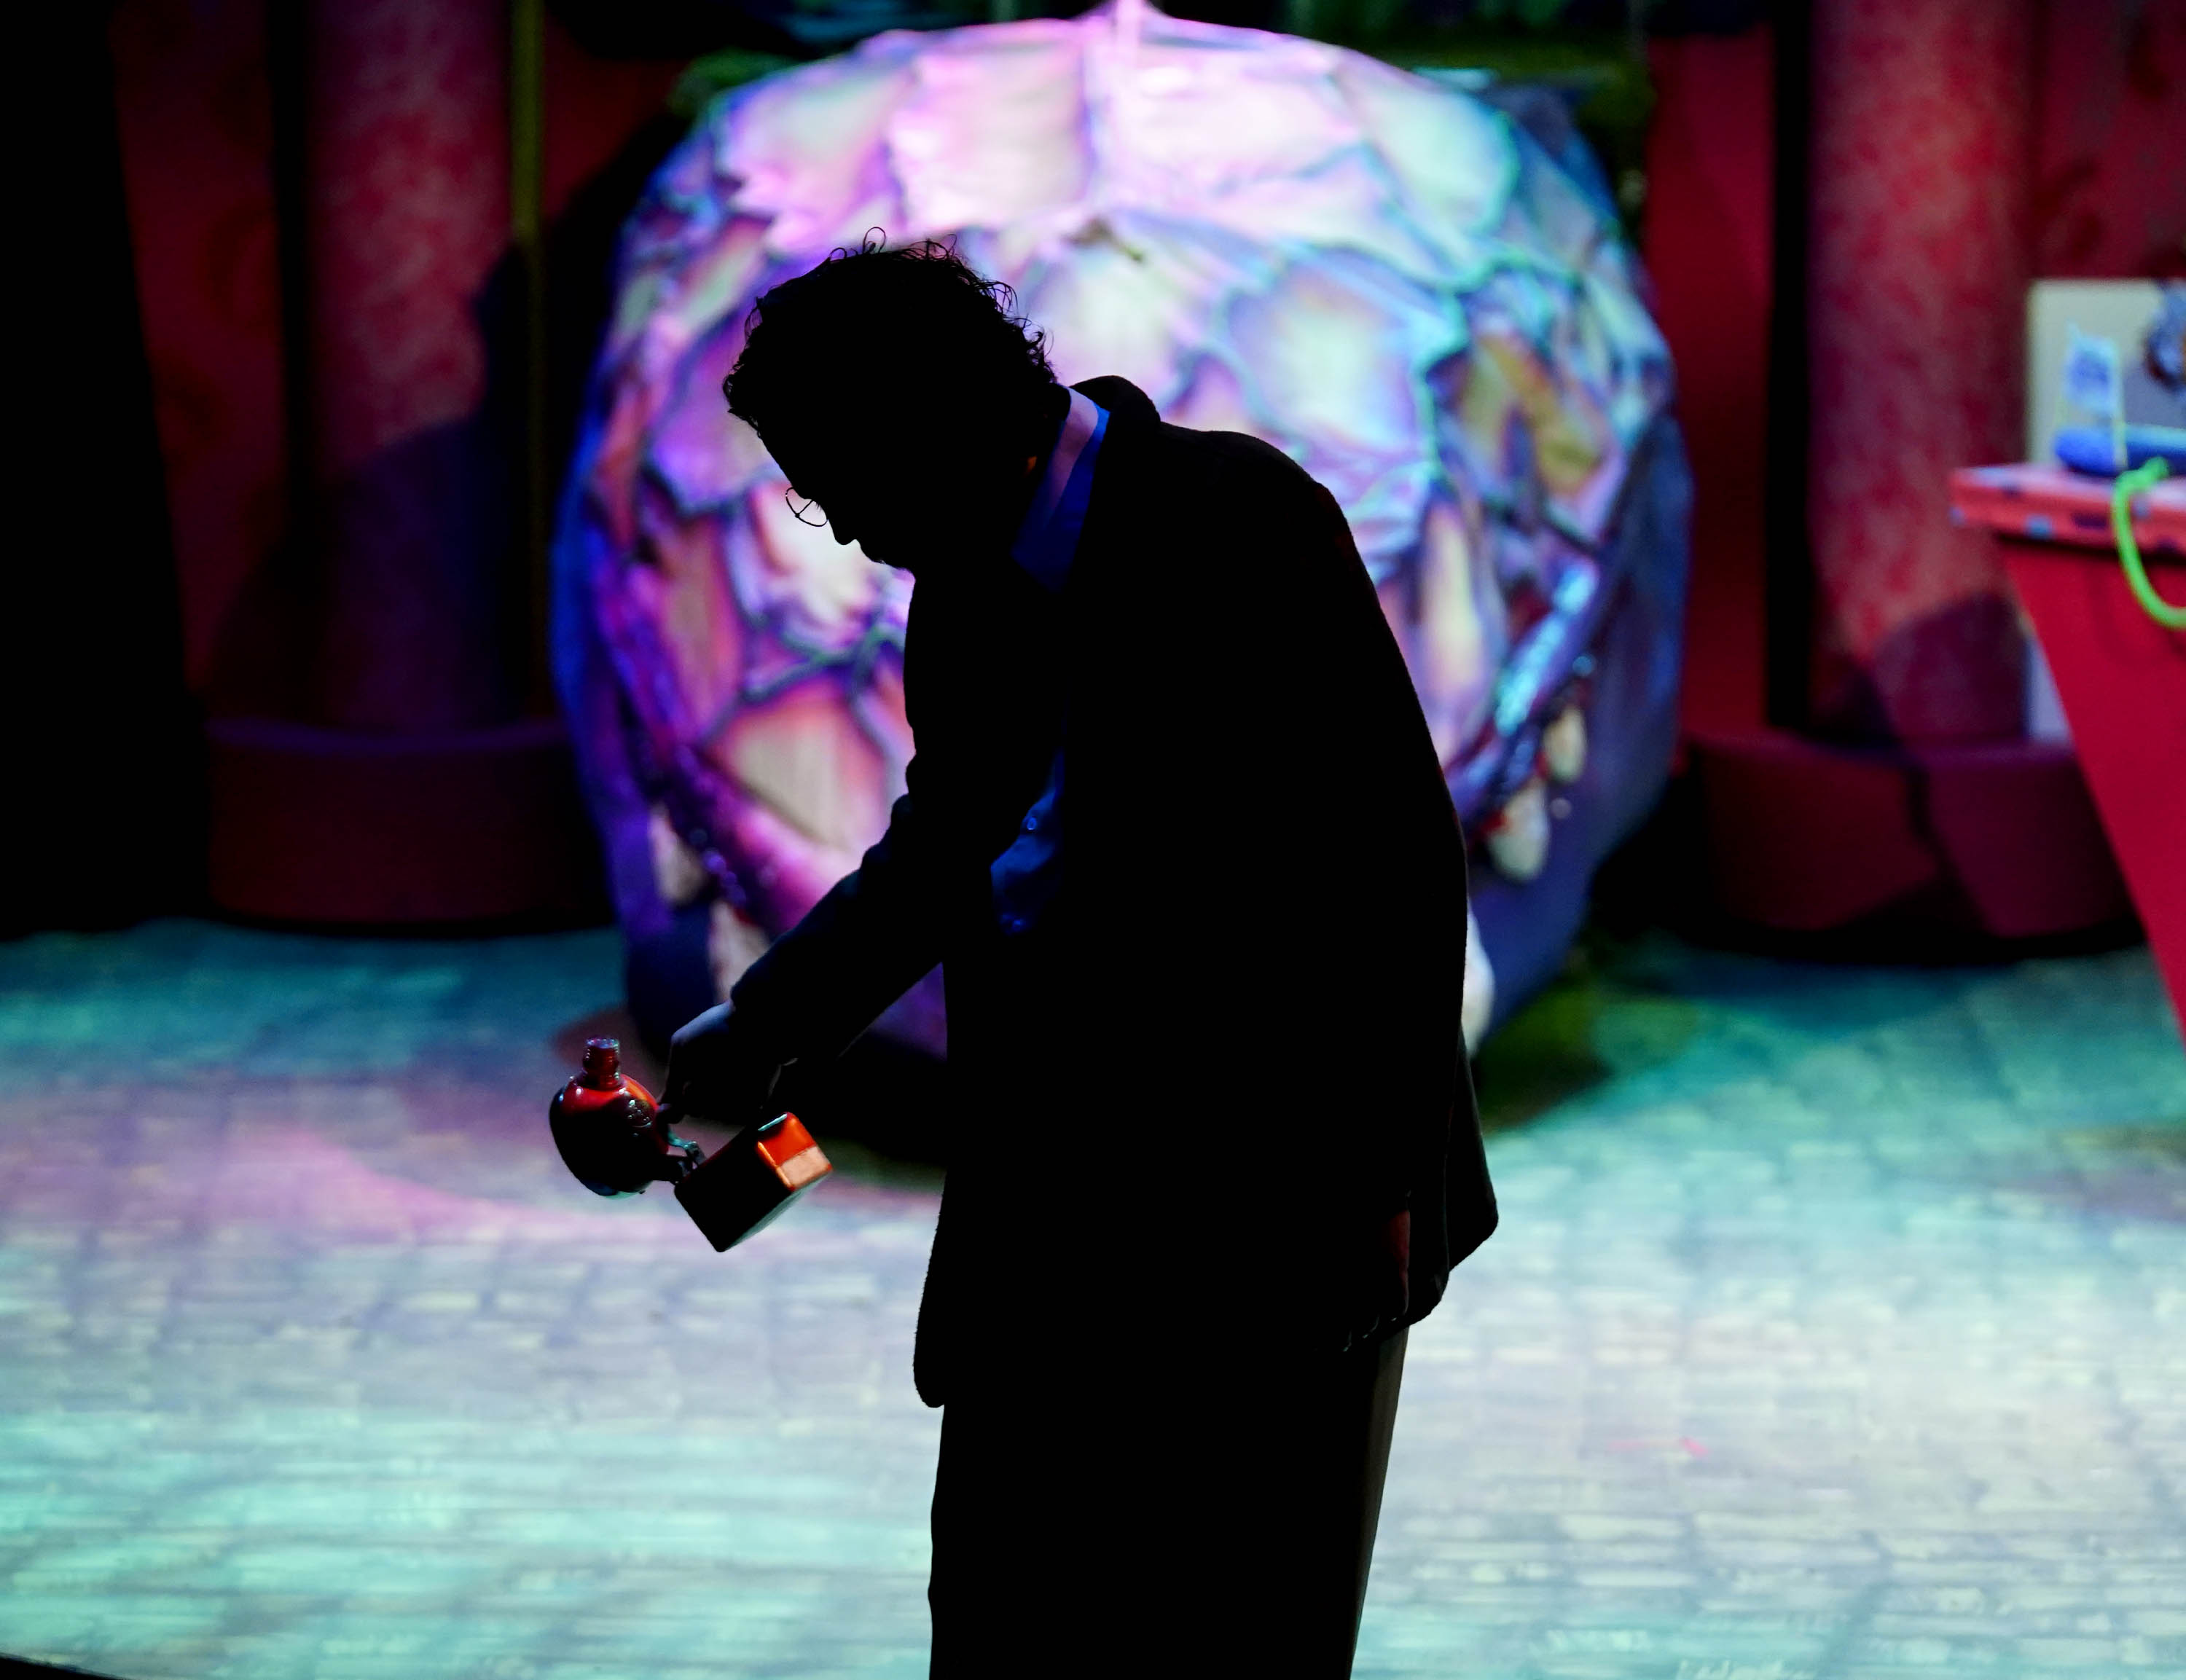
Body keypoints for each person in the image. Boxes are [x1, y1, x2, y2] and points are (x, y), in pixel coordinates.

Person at [662, 239, 1497, 1677]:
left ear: (936, 433)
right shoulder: (963, 584)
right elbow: (948, 843)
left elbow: (1391, 870)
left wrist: (1376, 1184)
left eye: (838, 482)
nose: (842, 530)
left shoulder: (1241, 521)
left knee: (1243, 1633)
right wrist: (764, 1021)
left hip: (1280, 1203)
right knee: (1004, 1623)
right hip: (1054, 1223)